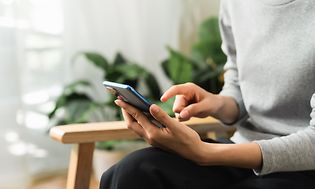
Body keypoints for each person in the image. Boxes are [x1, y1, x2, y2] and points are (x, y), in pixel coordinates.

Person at [100, 0, 315, 188]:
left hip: (304, 167)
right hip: (242, 152)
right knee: (132, 173)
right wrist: (216, 103)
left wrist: (203, 153)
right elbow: (238, 84)